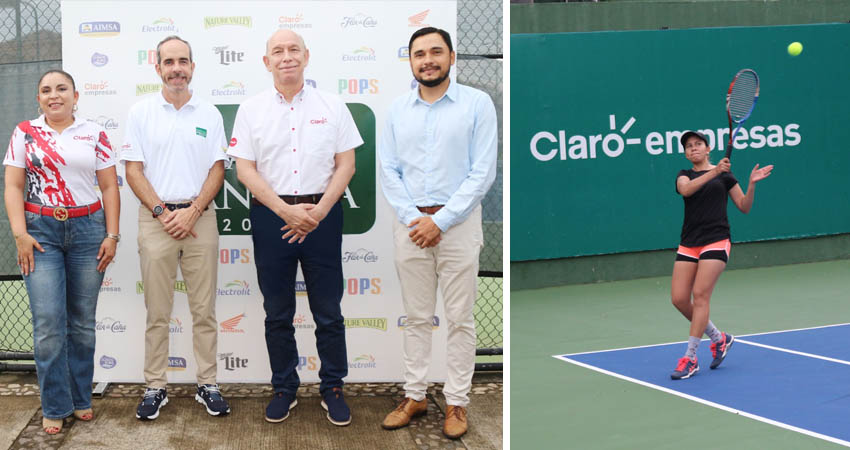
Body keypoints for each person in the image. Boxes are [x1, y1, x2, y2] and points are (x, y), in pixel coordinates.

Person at [228, 29, 362, 426]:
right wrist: (285, 212)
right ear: (266, 61)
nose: (286, 57)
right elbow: (244, 170)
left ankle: (333, 386)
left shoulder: (332, 105)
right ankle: (284, 387)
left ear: (307, 55)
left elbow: (347, 164)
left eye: (293, 50)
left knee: (328, 311)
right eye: (277, 51)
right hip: (272, 217)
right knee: (277, 312)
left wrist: (318, 212)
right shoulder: (251, 110)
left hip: (323, 215)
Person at [378, 27, 498, 439]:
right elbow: (389, 172)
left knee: (460, 319)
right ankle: (415, 396)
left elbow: (482, 172)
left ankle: (457, 403)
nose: (427, 60)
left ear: (451, 56)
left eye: (435, 52)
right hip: (410, 227)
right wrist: (417, 219)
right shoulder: (396, 110)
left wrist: (440, 221)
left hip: (459, 228)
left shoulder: (478, 104)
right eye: (419, 54)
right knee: (415, 318)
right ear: (410, 61)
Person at [3, 69, 120, 434]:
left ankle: (80, 397)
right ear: (38, 98)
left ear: (75, 94)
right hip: (41, 234)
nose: (54, 95)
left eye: (61, 89)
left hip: (88, 231)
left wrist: (112, 235)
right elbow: (13, 185)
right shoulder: (25, 132)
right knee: (49, 324)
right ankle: (54, 404)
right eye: (46, 90)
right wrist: (20, 234)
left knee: (82, 323)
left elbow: (110, 188)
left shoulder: (95, 133)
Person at [121, 36, 229, 419]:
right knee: (157, 311)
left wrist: (194, 209)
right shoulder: (141, 112)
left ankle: (208, 383)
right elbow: (132, 169)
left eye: (183, 60)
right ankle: (155, 387)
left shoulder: (209, 113)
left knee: (204, 309)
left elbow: (218, 168)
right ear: (158, 68)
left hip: (201, 218)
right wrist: (162, 211)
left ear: (193, 66)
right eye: (169, 62)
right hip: (156, 220)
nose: (177, 68)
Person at [670, 131, 773, 380]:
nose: (693, 148)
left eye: (698, 144)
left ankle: (690, 357)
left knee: (701, 295)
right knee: (679, 299)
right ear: (686, 153)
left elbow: (744, 206)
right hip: (689, 242)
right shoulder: (684, 175)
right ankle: (719, 338)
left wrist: (751, 184)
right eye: (689, 146)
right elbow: (686, 191)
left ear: (708, 149)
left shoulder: (725, 175)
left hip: (716, 240)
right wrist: (714, 171)